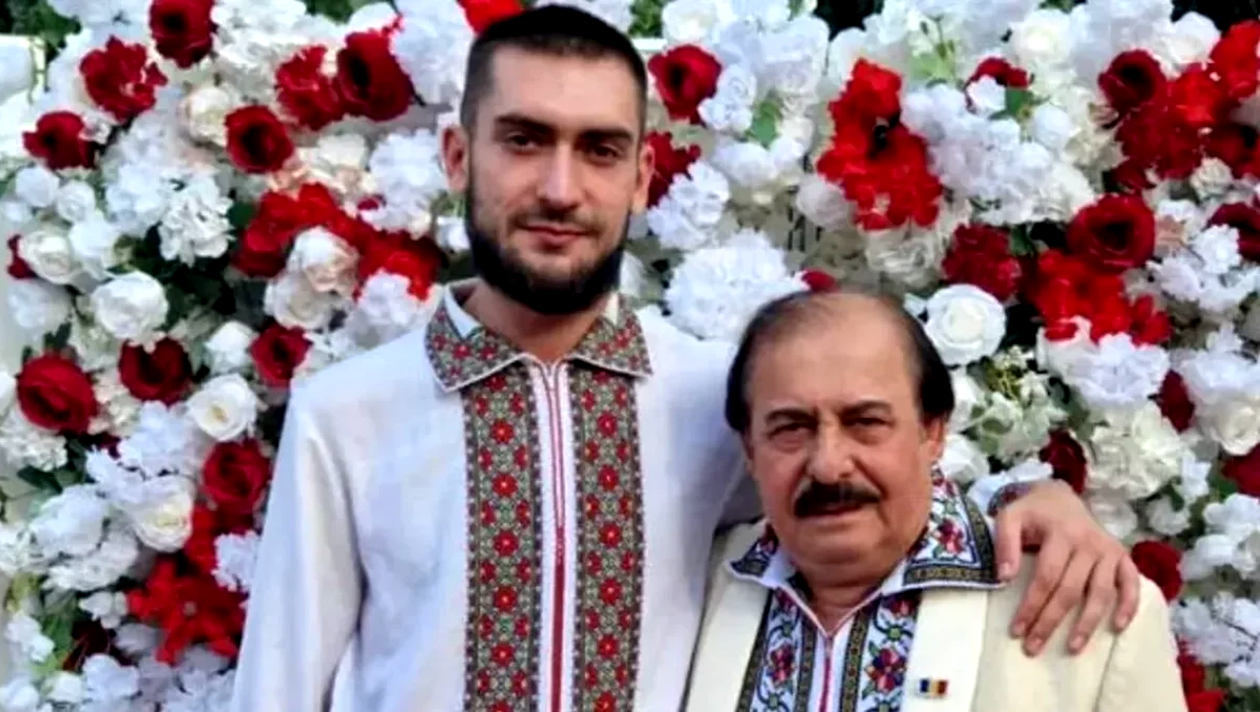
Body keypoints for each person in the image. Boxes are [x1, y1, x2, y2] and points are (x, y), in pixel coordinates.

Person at [230, 7, 1144, 711]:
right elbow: (279, 686)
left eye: (599, 150)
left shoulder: (712, 397)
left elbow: (875, 486)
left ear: (640, 178)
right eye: (524, 140)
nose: (560, 187)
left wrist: (1036, 502)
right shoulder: (348, 415)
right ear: (459, 156)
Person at [684, 288, 1184, 712]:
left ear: (933, 431)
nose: (829, 464)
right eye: (791, 428)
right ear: (750, 449)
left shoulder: (1095, 618)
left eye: (866, 422)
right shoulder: (695, 587)